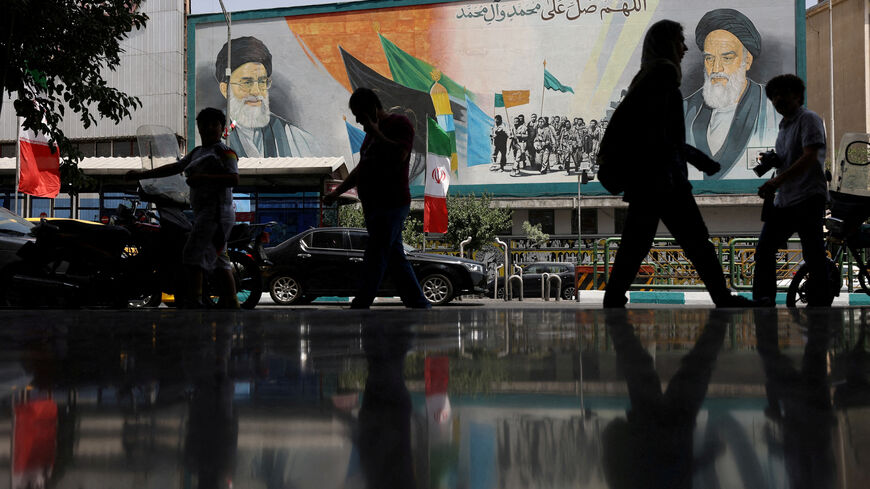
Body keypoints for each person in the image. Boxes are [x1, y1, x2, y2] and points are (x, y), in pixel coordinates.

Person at [602, 20, 754, 308]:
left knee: (636, 243)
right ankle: (721, 297)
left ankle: (613, 296)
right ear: (667, 44)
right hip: (663, 178)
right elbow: (661, 135)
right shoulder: (663, 73)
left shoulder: (646, 76)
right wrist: (697, 158)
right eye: (680, 41)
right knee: (697, 242)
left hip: (649, 179)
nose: (685, 48)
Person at [323, 87, 430, 310]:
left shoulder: (400, 124)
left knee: (376, 251)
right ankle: (418, 303)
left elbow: (400, 155)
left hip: (392, 202)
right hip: (373, 206)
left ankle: (363, 301)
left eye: (360, 116)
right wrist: (337, 192)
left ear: (371, 109)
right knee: (394, 255)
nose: (360, 123)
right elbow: (361, 170)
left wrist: (377, 133)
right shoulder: (370, 137)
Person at [126, 107, 240, 308]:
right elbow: (175, 168)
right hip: (206, 213)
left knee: (192, 253)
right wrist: (143, 174)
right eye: (205, 124)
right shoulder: (197, 152)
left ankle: (194, 300)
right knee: (220, 259)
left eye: (215, 124)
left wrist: (202, 178)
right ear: (199, 128)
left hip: (216, 214)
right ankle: (231, 301)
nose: (209, 128)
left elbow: (234, 178)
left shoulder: (225, 152)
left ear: (222, 128)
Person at [752, 74, 830, 307]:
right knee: (765, 250)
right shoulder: (785, 125)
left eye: (782, 94)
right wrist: (775, 161)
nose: (777, 100)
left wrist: (776, 182)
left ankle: (820, 303)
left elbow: (810, 156)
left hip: (808, 198)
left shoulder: (809, 119)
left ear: (797, 95)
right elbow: (793, 158)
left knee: (813, 254)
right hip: (786, 200)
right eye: (773, 96)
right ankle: (763, 301)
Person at [683, 9, 780, 179]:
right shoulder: (685, 109)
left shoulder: (773, 107)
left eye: (727, 58)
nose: (716, 69)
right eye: (709, 58)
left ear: (747, 60)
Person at [214, 36, 320, 158]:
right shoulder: (207, 137)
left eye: (262, 82)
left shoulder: (295, 137)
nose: (256, 91)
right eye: (247, 83)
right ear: (224, 89)